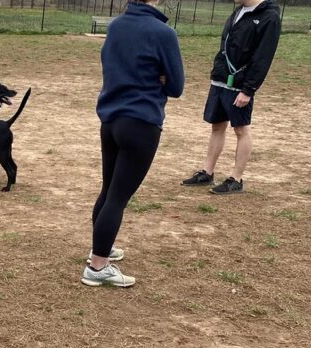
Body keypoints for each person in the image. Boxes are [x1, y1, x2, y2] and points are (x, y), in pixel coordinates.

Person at [82, 0, 184, 288]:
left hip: (110, 120)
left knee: (108, 190)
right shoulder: (163, 33)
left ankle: (100, 247)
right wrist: (158, 77)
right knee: (117, 198)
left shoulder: (116, 26)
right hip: (141, 123)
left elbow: (112, 66)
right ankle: (98, 266)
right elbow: (176, 87)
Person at [182, 0, 281, 194]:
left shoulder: (269, 17)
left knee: (241, 129)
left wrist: (248, 89)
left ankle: (236, 179)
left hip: (240, 84)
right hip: (220, 79)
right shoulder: (239, 11)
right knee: (217, 125)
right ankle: (207, 172)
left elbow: (263, 57)